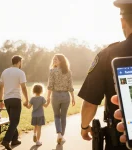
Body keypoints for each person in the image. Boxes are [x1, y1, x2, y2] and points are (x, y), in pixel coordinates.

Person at [78, 0, 132, 149]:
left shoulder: (107, 55)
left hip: (119, 140)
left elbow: (90, 103)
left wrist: (84, 127)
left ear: (123, 22)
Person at [0, 55, 29, 150]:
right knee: (15, 121)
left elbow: (1, 87)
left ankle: (15, 139)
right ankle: (6, 140)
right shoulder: (20, 72)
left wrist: (0, 100)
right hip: (15, 99)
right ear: (19, 62)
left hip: (7, 99)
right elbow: (23, 87)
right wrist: (27, 99)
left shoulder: (5, 72)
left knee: (13, 121)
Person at [47, 54, 75, 144]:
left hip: (55, 95)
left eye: (56, 59)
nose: (54, 60)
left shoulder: (52, 71)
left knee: (57, 116)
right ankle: (62, 136)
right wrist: (73, 97)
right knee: (63, 117)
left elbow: (50, 85)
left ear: (61, 61)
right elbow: (70, 86)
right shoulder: (68, 71)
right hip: (65, 96)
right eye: (54, 59)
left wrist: (48, 96)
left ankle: (59, 134)